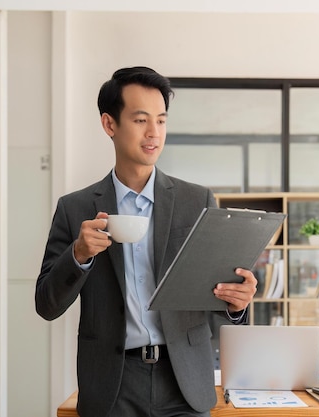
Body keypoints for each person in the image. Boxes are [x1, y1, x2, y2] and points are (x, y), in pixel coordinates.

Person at [35, 66, 258, 417]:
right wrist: (78, 255)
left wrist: (237, 304)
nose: (154, 133)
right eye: (141, 120)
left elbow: (216, 299)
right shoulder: (75, 208)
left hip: (184, 382)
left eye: (161, 120)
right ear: (110, 125)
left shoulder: (196, 201)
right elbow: (46, 304)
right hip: (112, 385)